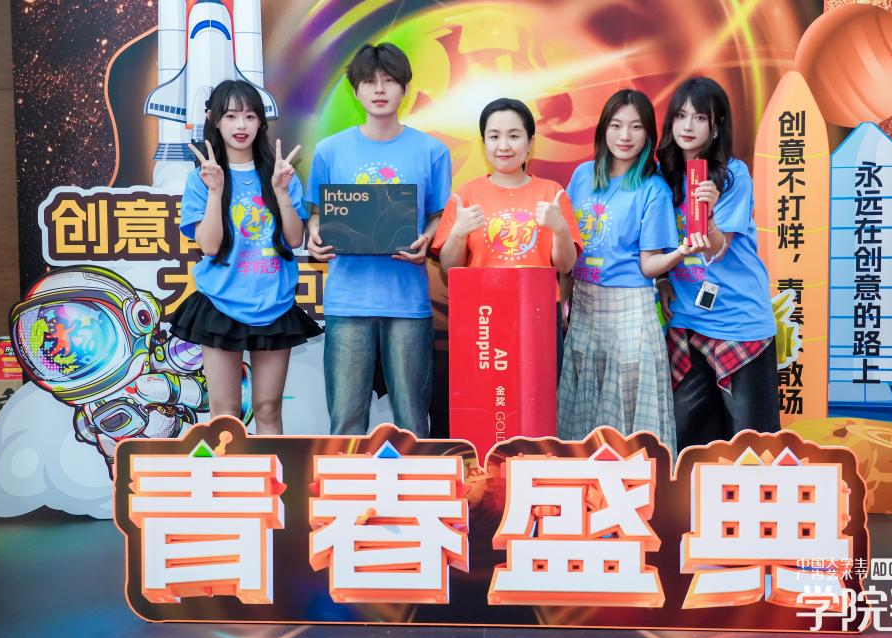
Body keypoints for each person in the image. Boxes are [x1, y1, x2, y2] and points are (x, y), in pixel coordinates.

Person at [306, 43, 452, 437]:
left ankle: (417, 480)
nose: (380, 89)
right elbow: (316, 212)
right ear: (356, 90)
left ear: (406, 87)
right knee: (346, 421)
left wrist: (427, 239)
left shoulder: (431, 151)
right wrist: (315, 235)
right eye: (370, 81)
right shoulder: (329, 151)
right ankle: (344, 480)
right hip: (348, 300)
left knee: (413, 421)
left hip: (407, 302)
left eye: (389, 80)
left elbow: (439, 215)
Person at [170, 79, 322, 435]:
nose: (241, 125)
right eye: (231, 116)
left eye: (250, 116)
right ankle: (229, 473)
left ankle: (274, 472)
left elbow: (294, 239)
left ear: (261, 122)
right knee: (225, 412)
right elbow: (209, 246)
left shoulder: (281, 174)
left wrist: (281, 192)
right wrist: (215, 191)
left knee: (268, 408)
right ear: (215, 120)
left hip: (274, 302)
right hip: (221, 303)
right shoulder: (202, 179)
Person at [557, 89, 703, 450]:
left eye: (636, 127)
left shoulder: (653, 188)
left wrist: (681, 252)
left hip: (630, 311)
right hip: (584, 307)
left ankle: (634, 479)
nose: (625, 136)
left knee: (627, 417)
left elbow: (649, 265)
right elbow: (567, 249)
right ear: (603, 130)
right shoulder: (582, 176)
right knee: (582, 411)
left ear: (648, 134)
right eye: (616, 125)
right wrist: (563, 300)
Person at [656, 76, 779, 451]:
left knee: (750, 442)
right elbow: (654, 245)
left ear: (715, 126)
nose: (687, 126)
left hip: (740, 322)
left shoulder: (732, 175)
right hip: (688, 323)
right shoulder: (662, 178)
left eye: (699, 117)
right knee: (687, 440)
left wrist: (706, 215)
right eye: (681, 116)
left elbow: (718, 247)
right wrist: (662, 282)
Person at [432, 98, 583, 373]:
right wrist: (458, 234)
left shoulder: (552, 193)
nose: (503, 145)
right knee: (484, 394)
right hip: (483, 316)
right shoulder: (466, 194)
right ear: (484, 143)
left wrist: (560, 228)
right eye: (494, 136)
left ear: (530, 142)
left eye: (514, 136)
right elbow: (449, 267)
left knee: (537, 394)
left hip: (538, 312)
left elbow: (565, 266)